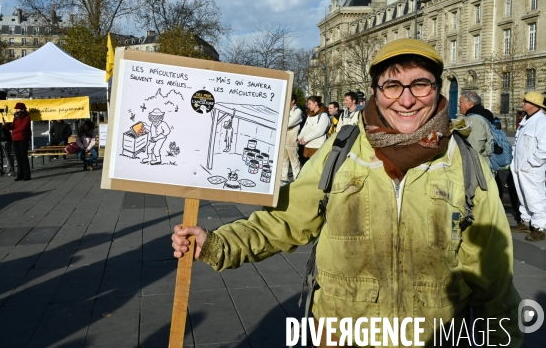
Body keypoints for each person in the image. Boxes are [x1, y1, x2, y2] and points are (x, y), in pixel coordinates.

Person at [171, 39, 522, 346]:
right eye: (392, 86)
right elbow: (285, 220)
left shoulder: (464, 162)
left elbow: (493, 273)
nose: (407, 99)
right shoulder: (341, 152)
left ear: (438, 89)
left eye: (420, 85)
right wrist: (218, 243)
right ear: (375, 92)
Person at [509, 91, 546, 241]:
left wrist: (532, 164)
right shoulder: (526, 120)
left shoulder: (542, 122)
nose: (522, 103)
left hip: (532, 169)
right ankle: (525, 221)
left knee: (535, 197)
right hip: (520, 167)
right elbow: (518, 143)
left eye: (525, 101)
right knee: (522, 196)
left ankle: (539, 227)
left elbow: (544, 148)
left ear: (534, 105)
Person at [458, 91, 493, 159]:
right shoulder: (481, 115)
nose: (459, 105)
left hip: (477, 164)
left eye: (460, 102)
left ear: (470, 103)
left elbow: (475, 149)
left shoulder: (475, 119)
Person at [3, 102, 31, 181]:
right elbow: (11, 127)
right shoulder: (15, 117)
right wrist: (6, 125)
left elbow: (23, 128)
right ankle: (20, 175)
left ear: (22, 109)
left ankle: (27, 175)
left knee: (24, 158)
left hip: (23, 139)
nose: (16, 110)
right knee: (18, 158)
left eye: (17, 109)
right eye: (16, 109)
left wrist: (13, 131)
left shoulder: (26, 118)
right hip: (15, 139)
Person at [297, 96, 329, 163]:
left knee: (316, 167)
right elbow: (305, 128)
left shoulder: (323, 115)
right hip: (307, 145)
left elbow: (319, 131)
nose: (308, 106)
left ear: (316, 103)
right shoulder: (309, 115)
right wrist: (300, 137)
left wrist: (305, 139)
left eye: (309, 104)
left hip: (317, 147)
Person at [281, 94, 302, 185]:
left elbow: (288, 123)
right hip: (284, 138)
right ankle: (283, 178)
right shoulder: (286, 110)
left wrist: (285, 125)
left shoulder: (297, 111)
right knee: (284, 159)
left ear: (293, 101)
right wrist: (285, 126)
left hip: (292, 139)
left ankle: (297, 179)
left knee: (294, 160)